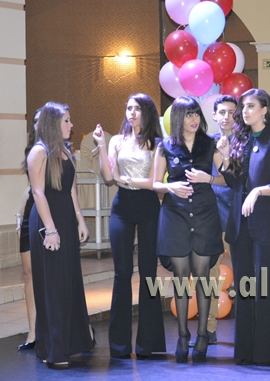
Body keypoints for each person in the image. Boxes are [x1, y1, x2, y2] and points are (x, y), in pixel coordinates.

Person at [218, 88, 270, 366]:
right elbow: (234, 182)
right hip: (240, 224)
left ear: (264, 110)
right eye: (243, 107)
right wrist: (225, 159)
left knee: (265, 288)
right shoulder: (240, 139)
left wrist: (259, 191)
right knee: (244, 288)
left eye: (250, 106)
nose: (245, 112)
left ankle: (264, 352)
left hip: (267, 224)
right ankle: (245, 351)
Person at [92, 93, 166, 359]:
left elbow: (155, 182)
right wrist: (102, 145)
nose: (131, 113)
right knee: (122, 273)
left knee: (148, 274)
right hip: (122, 206)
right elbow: (108, 177)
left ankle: (148, 344)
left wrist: (126, 179)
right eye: (129, 108)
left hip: (148, 206)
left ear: (147, 112)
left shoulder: (158, 143)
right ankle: (119, 346)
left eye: (137, 109)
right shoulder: (117, 140)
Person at [153, 96, 226, 363]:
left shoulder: (210, 143)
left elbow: (228, 178)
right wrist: (170, 186)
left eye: (196, 114)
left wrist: (210, 177)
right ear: (177, 118)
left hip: (205, 214)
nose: (194, 119)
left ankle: (203, 334)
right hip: (176, 215)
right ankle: (183, 335)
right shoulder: (165, 146)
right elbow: (154, 183)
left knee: (203, 276)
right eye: (188, 115)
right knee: (181, 276)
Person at [27, 102, 95, 366]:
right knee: (53, 286)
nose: (71, 125)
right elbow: (38, 192)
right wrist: (51, 229)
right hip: (48, 222)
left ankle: (72, 343)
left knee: (68, 282)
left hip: (66, 220)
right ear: (53, 123)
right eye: (66, 120)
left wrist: (80, 221)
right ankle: (53, 350)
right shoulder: (39, 151)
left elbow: (71, 190)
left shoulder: (66, 151)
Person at [189, 94, 237, 347]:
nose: (227, 117)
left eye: (232, 112)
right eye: (222, 112)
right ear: (215, 115)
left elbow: (237, 180)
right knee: (209, 274)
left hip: (240, 215)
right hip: (212, 216)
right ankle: (207, 329)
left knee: (249, 274)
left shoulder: (247, 142)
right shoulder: (206, 144)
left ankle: (252, 331)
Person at [15, 108, 41, 351]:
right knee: (28, 273)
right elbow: (31, 189)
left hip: (51, 213)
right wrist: (20, 214)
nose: (37, 125)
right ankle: (33, 332)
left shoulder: (59, 151)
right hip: (31, 212)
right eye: (35, 121)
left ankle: (73, 328)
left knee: (54, 275)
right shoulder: (31, 150)